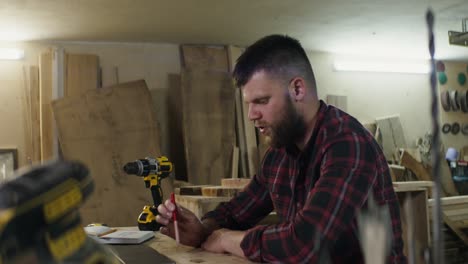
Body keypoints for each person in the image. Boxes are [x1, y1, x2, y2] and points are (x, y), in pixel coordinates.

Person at [156, 34, 406, 263]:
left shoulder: (348, 144)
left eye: (262, 101)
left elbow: (306, 244)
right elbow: (238, 210)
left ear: (297, 89)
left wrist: (226, 239)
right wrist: (204, 227)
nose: (252, 115)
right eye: (248, 104)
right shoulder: (279, 153)